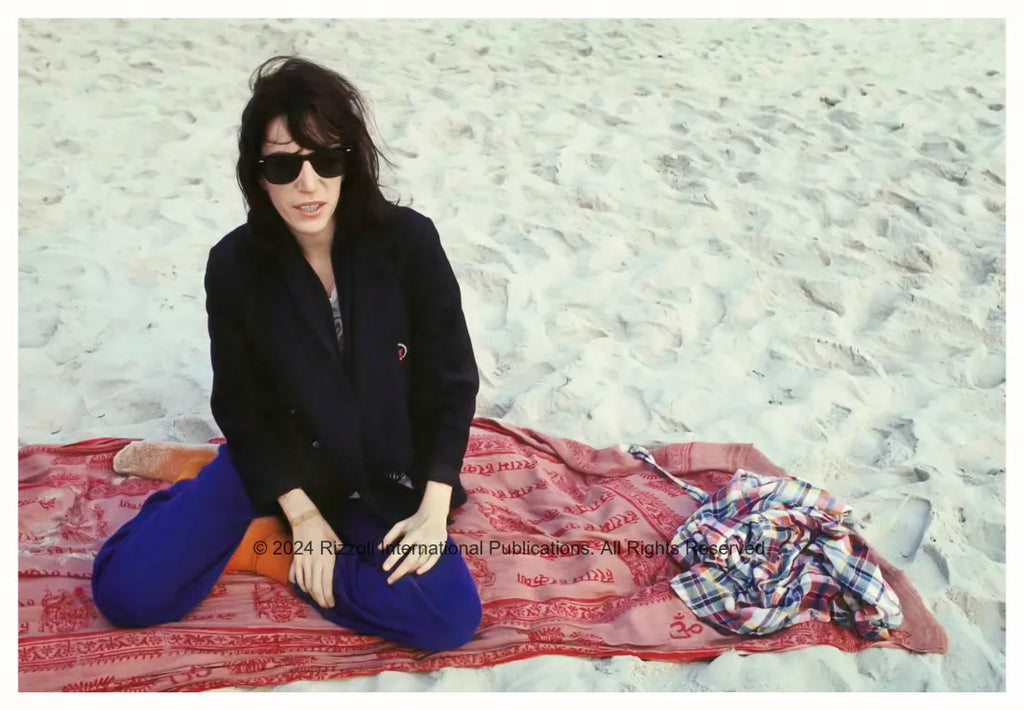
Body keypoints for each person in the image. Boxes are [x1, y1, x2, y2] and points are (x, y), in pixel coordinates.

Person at [90, 55, 483, 652]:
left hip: (381, 472)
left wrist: (433, 507)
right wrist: (301, 517)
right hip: (281, 463)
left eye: (326, 159)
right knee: (128, 594)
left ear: (351, 159)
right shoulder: (235, 266)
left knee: (445, 618)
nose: (308, 184)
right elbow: (241, 403)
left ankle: (262, 551)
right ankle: (214, 488)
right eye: (283, 164)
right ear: (258, 173)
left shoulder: (408, 242)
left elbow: (450, 382)